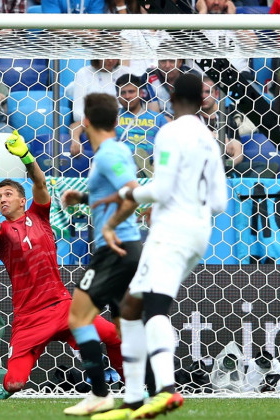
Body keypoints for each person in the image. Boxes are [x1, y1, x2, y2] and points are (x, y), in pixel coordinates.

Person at [91, 74, 227, 419]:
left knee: (154, 305)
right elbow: (220, 201)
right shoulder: (209, 140)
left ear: (171, 98)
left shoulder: (169, 131)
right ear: (200, 100)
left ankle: (165, 389)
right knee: (133, 305)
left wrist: (128, 194)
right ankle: (134, 398)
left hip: (172, 230)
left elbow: (163, 190)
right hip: (199, 230)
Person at [0, 130, 123, 400]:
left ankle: (137, 386)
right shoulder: (3, 233)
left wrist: (25, 156)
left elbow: (40, 184)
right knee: (15, 384)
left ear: (23, 201)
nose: (2, 200)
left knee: (115, 336)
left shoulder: (39, 216)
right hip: (29, 318)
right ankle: (7, 386)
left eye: (7, 194)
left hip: (63, 306)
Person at [58, 93, 142, 416]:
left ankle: (99, 393)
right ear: (116, 121)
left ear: (86, 122)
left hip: (115, 249)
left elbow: (132, 193)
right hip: (126, 248)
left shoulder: (109, 154)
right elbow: (115, 193)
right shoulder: (112, 153)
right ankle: (143, 391)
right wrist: (81, 197)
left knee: (78, 317)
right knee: (125, 326)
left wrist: (110, 228)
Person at [70, 59, 129, 156]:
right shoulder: (84, 73)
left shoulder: (125, 72)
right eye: (106, 57)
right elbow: (77, 115)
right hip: (96, 123)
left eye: (113, 56)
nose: (110, 60)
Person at [115, 73, 168, 178]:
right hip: (120, 165)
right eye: (123, 93)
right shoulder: (112, 116)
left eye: (131, 92)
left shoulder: (158, 118)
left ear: (140, 93)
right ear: (117, 95)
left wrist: (161, 165)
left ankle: (145, 171)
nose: (127, 96)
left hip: (151, 163)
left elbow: (168, 146)